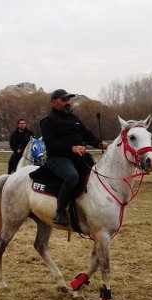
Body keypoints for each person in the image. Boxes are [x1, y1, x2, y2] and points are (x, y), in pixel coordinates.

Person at [40, 89, 108, 226]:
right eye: (63, 100)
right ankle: (60, 212)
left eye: (68, 100)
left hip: (77, 156)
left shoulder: (74, 118)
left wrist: (99, 143)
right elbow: (52, 144)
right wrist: (72, 148)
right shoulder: (48, 121)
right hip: (58, 158)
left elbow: (86, 134)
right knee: (72, 176)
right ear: (54, 102)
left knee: (95, 172)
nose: (67, 102)